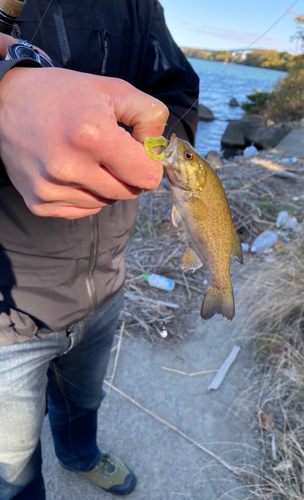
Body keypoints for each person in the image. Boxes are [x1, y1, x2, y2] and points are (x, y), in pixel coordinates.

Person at [0, 1, 199, 498]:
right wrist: (7, 87)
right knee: (12, 467)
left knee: (84, 400)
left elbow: (179, 94)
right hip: (9, 314)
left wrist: (160, 138)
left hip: (107, 288)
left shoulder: (137, 4)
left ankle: (81, 456)